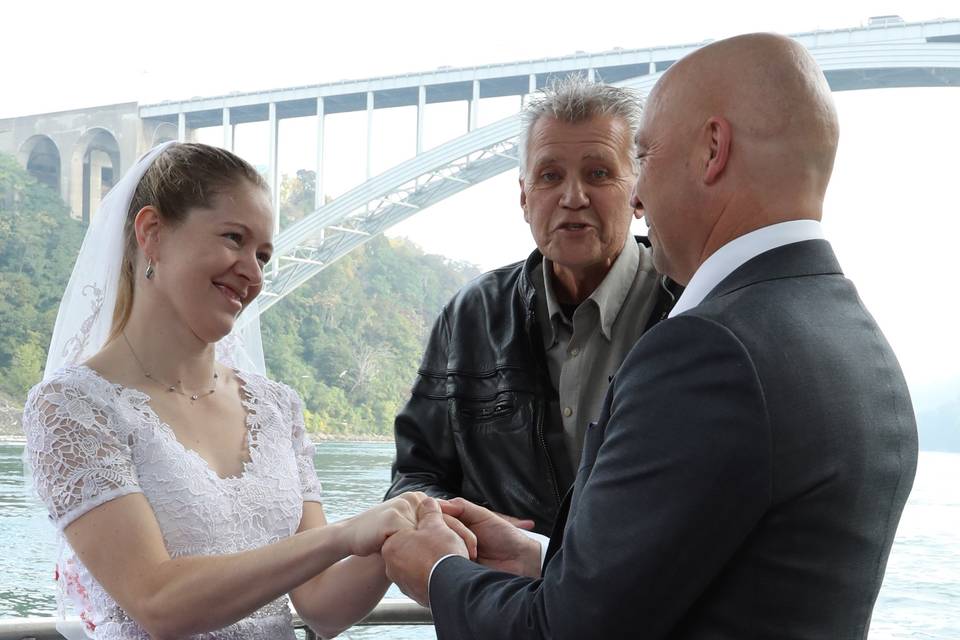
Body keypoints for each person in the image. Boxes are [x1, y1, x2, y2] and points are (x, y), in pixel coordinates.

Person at [381, 33, 919, 639]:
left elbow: (565, 632)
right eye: (551, 176)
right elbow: (712, 572)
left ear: (712, 149)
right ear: (525, 194)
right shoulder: (855, 337)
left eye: (644, 158)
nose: (637, 195)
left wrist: (440, 571)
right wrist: (545, 556)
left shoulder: (707, 349)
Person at [21, 142, 474, 640]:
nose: (254, 274)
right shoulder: (73, 408)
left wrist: (401, 532)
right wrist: (344, 534)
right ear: (152, 233)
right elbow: (158, 602)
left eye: (263, 255)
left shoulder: (277, 408)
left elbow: (321, 606)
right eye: (234, 239)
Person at [385, 76, 679, 534]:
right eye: (550, 175)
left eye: (598, 173)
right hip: (507, 600)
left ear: (637, 192)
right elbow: (414, 479)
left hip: (652, 601)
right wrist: (465, 525)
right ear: (525, 197)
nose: (573, 197)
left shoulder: (689, 303)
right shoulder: (472, 316)